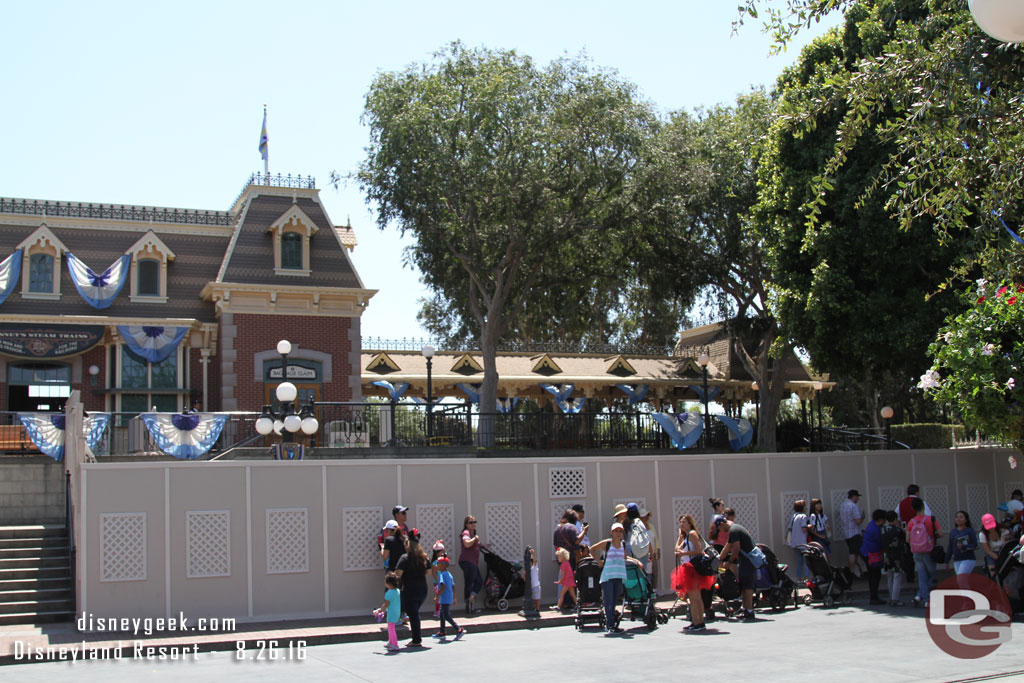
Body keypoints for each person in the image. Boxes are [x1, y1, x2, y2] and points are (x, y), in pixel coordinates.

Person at [590, 522, 644, 634]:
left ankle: (612, 623)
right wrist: (598, 561)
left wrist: (636, 561)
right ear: (612, 532)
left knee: (614, 601)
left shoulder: (623, 544)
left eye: (620, 531)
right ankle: (610, 625)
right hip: (608, 576)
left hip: (618, 576)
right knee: (608, 601)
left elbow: (624, 557)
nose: (618, 533)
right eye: (616, 531)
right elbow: (592, 549)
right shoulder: (607, 544)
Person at [672, 514, 716, 632]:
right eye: (681, 522)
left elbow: (698, 550)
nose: (682, 524)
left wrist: (684, 554)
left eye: (684, 522)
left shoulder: (692, 534)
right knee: (692, 597)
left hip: (692, 568)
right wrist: (680, 536)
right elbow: (676, 549)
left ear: (690, 523)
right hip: (686, 567)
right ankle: (696, 621)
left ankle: (699, 621)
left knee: (695, 597)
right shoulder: (686, 537)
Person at [717, 517, 759, 621]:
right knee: (743, 585)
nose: (720, 531)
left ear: (722, 524)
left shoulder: (734, 530)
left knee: (747, 586)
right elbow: (727, 547)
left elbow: (735, 549)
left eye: (719, 528)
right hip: (745, 560)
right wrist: (719, 559)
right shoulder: (733, 530)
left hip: (748, 560)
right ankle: (745, 608)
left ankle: (749, 611)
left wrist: (728, 563)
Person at [395, 529, 429, 647]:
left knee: (413, 615)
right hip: (423, 590)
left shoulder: (405, 558)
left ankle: (416, 640)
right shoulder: (424, 557)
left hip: (410, 590)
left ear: (407, 545)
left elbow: (398, 574)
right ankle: (415, 638)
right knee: (413, 612)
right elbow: (428, 572)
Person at [907, 498, 942, 607]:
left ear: (913, 508)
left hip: (916, 551)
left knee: (922, 575)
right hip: (929, 550)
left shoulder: (911, 522)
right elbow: (941, 533)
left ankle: (921, 596)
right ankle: (926, 598)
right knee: (931, 574)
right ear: (923, 506)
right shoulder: (931, 520)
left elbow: (908, 539)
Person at [432, 555, 465, 641]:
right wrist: (454, 597)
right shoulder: (449, 574)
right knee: (442, 615)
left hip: (444, 598)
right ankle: (442, 632)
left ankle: (458, 629)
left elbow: (442, 586)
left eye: (438, 564)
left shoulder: (442, 574)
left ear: (442, 565)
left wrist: (437, 596)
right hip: (448, 598)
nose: (436, 565)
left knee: (446, 615)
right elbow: (453, 586)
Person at [881, 510, 908, 606]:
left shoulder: (883, 529)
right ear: (896, 519)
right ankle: (895, 598)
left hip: (887, 555)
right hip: (897, 555)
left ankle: (891, 596)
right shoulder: (898, 530)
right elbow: (905, 539)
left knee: (890, 576)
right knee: (897, 576)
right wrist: (901, 528)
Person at [860, 509, 887, 605]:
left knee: (873, 576)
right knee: (875, 575)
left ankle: (874, 595)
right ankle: (874, 596)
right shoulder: (876, 530)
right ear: (881, 519)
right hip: (871, 555)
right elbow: (881, 542)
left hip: (866, 553)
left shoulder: (872, 525)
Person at [459, 515, 484, 614]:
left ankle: (470, 599)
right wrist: (475, 539)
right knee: (470, 583)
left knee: (478, 582)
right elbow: (466, 544)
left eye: (474, 522)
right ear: (466, 524)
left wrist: (483, 545)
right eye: (471, 522)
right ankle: (469, 604)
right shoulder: (466, 533)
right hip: (468, 562)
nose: (473, 524)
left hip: (473, 562)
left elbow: (476, 545)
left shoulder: (472, 534)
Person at [946, 510, 978, 585]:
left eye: (961, 517)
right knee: (961, 581)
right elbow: (950, 546)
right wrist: (947, 560)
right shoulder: (953, 532)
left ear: (966, 520)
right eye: (957, 517)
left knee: (961, 579)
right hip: (957, 559)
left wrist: (963, 546)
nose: (958, 519)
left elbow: (975, 544)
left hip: (968, 558)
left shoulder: (970, 531)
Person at [839, 489, 866, 578]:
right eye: (857, 496)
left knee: (855, 552)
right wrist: (862, 517)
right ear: (854, 496)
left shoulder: (842, 505)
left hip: (846, 532)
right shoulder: (853, 506)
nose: (858, 498)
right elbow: (858, 521)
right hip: (854, 532)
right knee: (853, 552)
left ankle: (861, 571)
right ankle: (852, 571)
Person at [374, 572, 402, 652]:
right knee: (390, 628)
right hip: (396, 612)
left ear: (388, 583)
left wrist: (380, 610)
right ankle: (391, 642)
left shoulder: (388, 593)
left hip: (392, 613)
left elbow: (386, 604)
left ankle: (395, 644)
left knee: (391, 629)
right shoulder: (397, 591)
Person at [980, 513, 1009, 578]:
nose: (991, 528)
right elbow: (988, 551)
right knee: (993, 572)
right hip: (992, 554)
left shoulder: (1003, 531)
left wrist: (1002, 557)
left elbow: (1006, 545)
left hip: (1003, 552)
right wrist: (997, 558)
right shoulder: (982, 535)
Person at [787, 500, 810, 580]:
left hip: (794, 543)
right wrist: (809, 527)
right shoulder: (803, 516)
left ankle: (799, 579)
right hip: (802, 542)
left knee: (799, 561)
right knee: (806, 561)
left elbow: (789, 528)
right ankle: (807, 579)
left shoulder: (793, 516)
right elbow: (804, 529)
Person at [640, 508, 659, 584]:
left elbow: (655, 538)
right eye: (645, 515)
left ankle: (654, 590)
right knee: (646, 573)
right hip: (643, 554)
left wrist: (657, 548)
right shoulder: (638, 527)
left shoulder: (651, 526)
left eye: (648, 515)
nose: (647, 517)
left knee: (654, 573)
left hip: (653, 553)